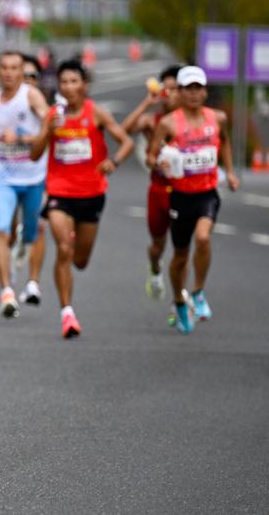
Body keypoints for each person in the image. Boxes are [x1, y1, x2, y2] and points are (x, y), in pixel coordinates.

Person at [30, 59, 134, 338]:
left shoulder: (96, 113)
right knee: (63, 249)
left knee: (80, 260)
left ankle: (75, 239)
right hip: (59, 193)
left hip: (91, 194)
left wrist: (114, 161)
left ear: (84, 85)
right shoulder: (53, 115)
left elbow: (127, 142)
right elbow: (35, 155)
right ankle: (67, 313)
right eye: (64, 82)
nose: (68, 87)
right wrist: (49, 130)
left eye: (74, 81)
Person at [147, 66, 239, 334]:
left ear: (205, 91)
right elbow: (150, 156)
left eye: (198, 88)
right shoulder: (168, 123)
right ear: (180, 92)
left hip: (207, 193)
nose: (194, 94)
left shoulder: (217, 118)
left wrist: (230, 172)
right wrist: (161, 163)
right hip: (180, 196)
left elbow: (225, 142)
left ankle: (198, 291)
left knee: (203, 237)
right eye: (188, 89)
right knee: (179, 256)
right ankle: (178, 300)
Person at [0, 51, 50, 318]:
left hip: (33, 178)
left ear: (21, 71)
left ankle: (32, 283)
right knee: (1, 229)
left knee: (33, 232)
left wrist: (21, 139)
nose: (9, 72)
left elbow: (49, 126)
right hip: (3, 178)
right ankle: (6, 292)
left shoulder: (31, 96)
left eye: (14, 68)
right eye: (4, 67)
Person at [120, 65, 181, 302]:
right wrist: (147, 102)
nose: (170, 94)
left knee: (182, 248)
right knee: (157, 246)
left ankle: (180, 300)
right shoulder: (150, 121)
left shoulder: (191, 123)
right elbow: (122, 130)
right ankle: (155, 269)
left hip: (184, 192)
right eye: (166, 89)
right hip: (158, 190)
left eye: (176, 89)